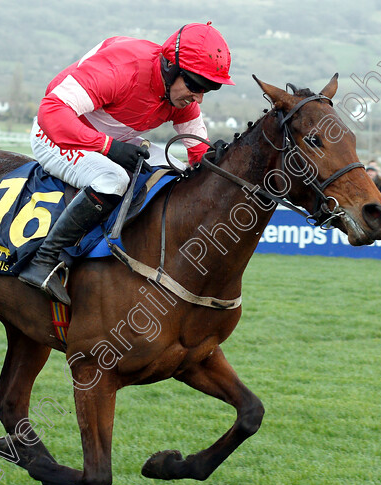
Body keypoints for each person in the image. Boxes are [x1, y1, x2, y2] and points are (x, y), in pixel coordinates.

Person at [17, 22, 234, 304]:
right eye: (196, 85)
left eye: (210, 88)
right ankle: (43, 260)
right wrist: (108, 147)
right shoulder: (122, 68)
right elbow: (52, 112)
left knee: (177, 172)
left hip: (109, 138)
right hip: (56, 135)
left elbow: (198, 156)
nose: (199, 98)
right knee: (112, 179)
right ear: (170, 67)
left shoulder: (180, 95)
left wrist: (217, 157)